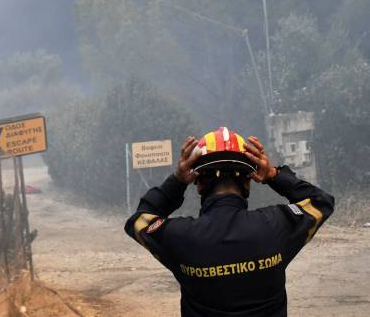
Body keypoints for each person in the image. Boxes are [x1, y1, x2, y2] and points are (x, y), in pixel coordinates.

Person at [125, 127, 335, 317]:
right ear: (248, 181)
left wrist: (177, 181)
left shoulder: (180, 236)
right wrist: (273, 174)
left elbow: (139, 221)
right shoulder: (276, 225)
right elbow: (321, 202)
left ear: (198, 185)